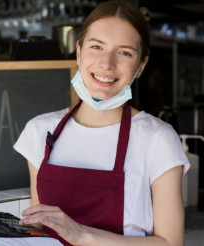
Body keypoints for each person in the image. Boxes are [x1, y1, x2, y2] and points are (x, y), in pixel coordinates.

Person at [14, 1, 190, 245]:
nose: (107, 63)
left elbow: (170, 243)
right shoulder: (40, 130)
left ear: (141, 66)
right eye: (96, 47)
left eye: (125, 52)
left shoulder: (157, 138)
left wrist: (82, 234)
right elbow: (39, 226)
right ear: (78, 52)